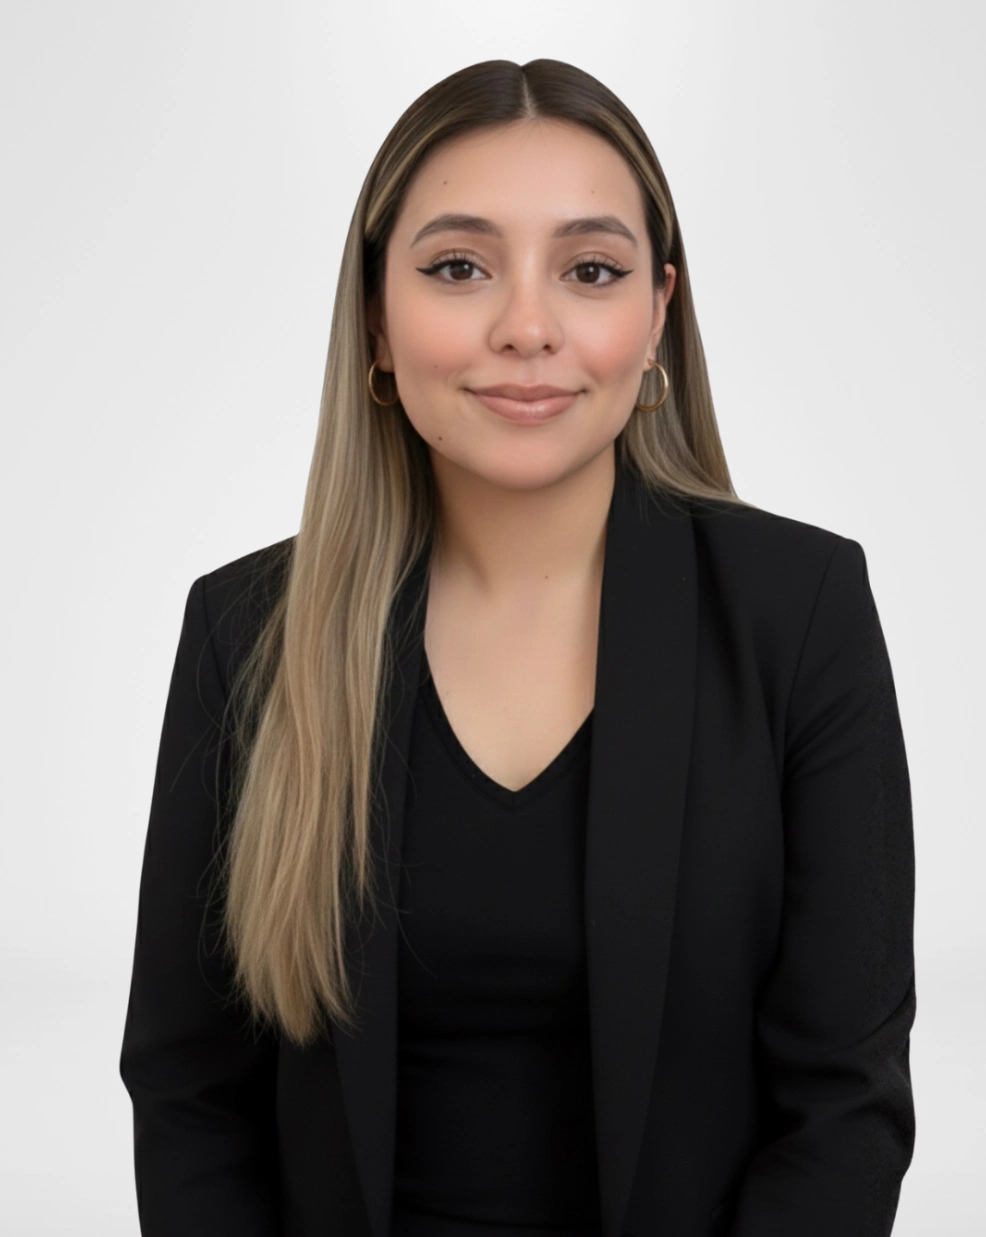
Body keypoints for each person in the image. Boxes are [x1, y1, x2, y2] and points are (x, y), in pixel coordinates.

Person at [119, 58, 916, 1237]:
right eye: (457, 267)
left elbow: (841, 1107)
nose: (526, 326)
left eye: (588, 270)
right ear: (376, 325)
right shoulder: (247, 633)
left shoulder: (797, 613)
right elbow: (190, 1098)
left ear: (657, 315)